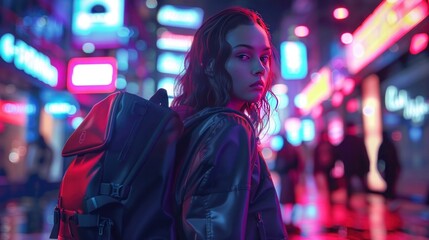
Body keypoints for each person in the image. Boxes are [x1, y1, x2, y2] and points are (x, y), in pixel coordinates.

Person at [171, 7, 287, 239]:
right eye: (243, 56)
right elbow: (214, 230)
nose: (260, 69)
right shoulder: (229, 128)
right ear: (210, 64)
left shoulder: (189, 124)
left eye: (264, 57)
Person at [333, 121, 370, 209]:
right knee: (362, 184)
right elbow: (364, 154)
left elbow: (337, 154)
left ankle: (349, 202)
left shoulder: (345, 141)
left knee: (349, 185)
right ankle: (365, 199)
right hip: (358, 166)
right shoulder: (358, 141)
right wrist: (367, 166)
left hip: (349, 166)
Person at [275, 135, 304, 235]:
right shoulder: (292, 149)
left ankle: (285, 221)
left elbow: (277, 165)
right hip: (291, 176)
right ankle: (290, 221)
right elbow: (299, 163)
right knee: (291, 199)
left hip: (285, 177)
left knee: (285, 198)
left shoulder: (282, 150)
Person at [377, 131, 401, 208]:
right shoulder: (390, 145)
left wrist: (380, 170)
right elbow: (395, 158)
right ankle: (390, 200)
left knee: (389, 185)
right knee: (391, 185)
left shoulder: (382, 146)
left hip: (387, 169)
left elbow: (379, 160)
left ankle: (388, 200)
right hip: (392, 168)